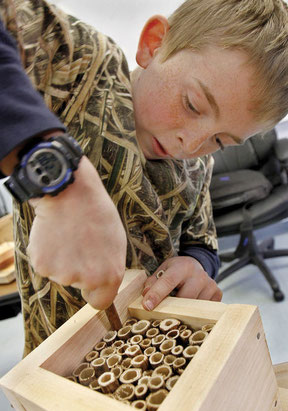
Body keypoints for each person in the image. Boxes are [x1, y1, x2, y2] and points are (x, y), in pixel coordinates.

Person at [1, 0, 288, 355]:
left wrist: (197, 265)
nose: (192, 143)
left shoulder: (198, 168)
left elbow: (202, 240)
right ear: (153, 44)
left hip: (146, 355)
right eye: (193, 104)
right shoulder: (83, 70)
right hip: (51, 349)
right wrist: (55, 174)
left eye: (220, 141)